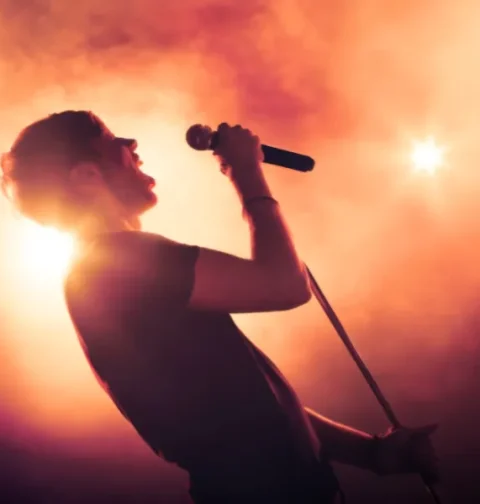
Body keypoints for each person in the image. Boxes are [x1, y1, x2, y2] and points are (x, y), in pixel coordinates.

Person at [1, 111, 439, 503]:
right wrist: (246, 172)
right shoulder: (120, 260)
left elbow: (246, 407)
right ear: (85, 176)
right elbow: (285, 285)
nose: (131, 144)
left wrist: (371, 453)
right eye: (112, 139)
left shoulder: (105, 266)